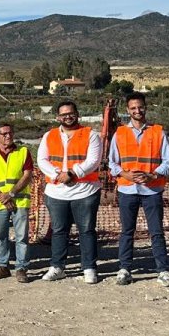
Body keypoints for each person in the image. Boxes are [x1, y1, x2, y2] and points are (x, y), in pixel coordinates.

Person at [109, 92, 169, 287]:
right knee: (126, 232)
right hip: (127, 190)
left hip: (152, 191)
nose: (137, 111)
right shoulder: (119, 133)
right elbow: (112, 162)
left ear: (146, 107)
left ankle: (162, 271)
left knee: (156, 232)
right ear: (128, 110)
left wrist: (153, 175)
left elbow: (168, 161)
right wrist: (124, 174)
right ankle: (125, 269)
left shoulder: (158, 132)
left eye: (140, 107)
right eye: (133, 108)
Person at [38, 100, 103, 284]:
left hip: (85, 192)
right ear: (58, 117)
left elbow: (93, 160)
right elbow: (42, 160)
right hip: (57, 192)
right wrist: (57, 175)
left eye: (71, 113)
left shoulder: (91, 135)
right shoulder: (49, 136)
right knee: (58, 231)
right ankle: (57, 267)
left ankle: (89, 268)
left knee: (87, 231)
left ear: (77, 114)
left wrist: (73, 173)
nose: (67, 116)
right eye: (63, 114)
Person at [0, 122, 34, 283]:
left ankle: (21, 268)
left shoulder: (23, 152)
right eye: (4, 134)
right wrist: (0, 196)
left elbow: (27, 175)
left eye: (10, 133)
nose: (8, 136)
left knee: (21, 237)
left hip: (19, 201)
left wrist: (10, 194)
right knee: (0, 236)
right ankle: (3, 266)